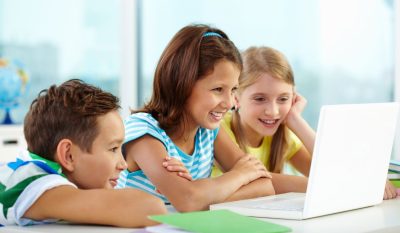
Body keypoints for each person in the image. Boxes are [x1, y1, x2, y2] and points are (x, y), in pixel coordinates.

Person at [118, 24, 275, 212]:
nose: (229, 103)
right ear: (181, 84)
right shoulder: (143, 132)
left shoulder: (208, 132)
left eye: (233, 89)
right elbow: (189, 200)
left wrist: (202, 194)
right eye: (218, 89)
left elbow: (264, 186)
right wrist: (239, 176)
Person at [211, 46, 397, 199]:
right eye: (260, 99)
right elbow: (260, 181)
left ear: (294, 97)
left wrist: (294, 119)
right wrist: (351, 186)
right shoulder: (219, 130)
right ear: (236, 97)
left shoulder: (283, 134)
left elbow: (329, 168)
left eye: (283, 99)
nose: (273, 111)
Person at [0, 79, 167, 227]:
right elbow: (151, 210)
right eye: (113, 149)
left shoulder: (37, 169)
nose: (123, 164)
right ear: (68, 155)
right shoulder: (38, 185)